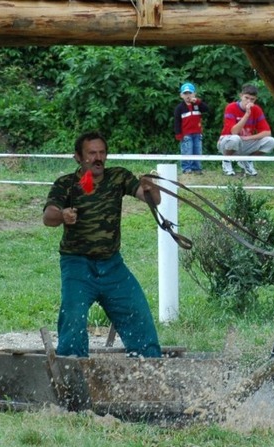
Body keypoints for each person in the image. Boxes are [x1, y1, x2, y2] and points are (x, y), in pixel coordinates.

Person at [42, 131, 162, 358]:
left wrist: (151, 188)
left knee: (137, 313)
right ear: (78, 157)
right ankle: (72, 368)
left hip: (112, 265)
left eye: (102, 152)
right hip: (77, 265)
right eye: (91, 153)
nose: (98, 158)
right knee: (74, 316)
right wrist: (63, 215)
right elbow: (48, 216)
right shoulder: (66, 184)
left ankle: (149, 365)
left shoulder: (118, 177)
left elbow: (152, 199)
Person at [218, 83, 274, 176]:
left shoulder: (257, 109)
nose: (249, 101)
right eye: (246, 98)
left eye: (252, 99)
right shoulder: (231, 107)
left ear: (255, 99)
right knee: (235, 138)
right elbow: (234, 132)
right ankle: (226, 161)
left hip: (244, 142)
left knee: (271, 141)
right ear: (241, 96)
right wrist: (247, 115)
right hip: (227, 142)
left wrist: (248, 138)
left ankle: (247, 161)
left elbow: (267, 133)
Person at [174, 82, 209, 175]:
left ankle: (197, 168)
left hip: (197, 133)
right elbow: (177, 122)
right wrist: (178, 134)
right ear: (181, 95)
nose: (188, 95)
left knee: (198, 150)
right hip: (186, 134)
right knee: (187, 151)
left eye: (190, 93)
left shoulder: (198, 104)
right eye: (185, 93)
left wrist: (197, 101)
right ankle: (186, 168)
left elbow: (207, 109)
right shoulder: (179, 108)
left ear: (194, 94)